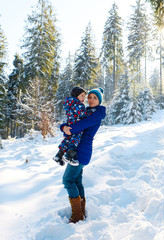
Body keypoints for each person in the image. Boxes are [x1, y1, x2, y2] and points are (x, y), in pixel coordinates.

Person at [61, 88, 106, 224]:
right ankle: (80, 211)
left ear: (99, 101)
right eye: (90, 97)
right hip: (78, 150)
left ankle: (77, 215)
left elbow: (80, 125)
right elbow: (72, 122)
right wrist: (63, 127)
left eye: (95, 98)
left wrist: (69, 130)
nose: (91, 100)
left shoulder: (97, 114)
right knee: (76, 181)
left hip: (81, 151)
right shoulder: (86, 111)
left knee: (68, 180)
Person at [53, 87, 88, 166]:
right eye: (82, 96)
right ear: (76, 95)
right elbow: (82, 114)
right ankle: (69, 156)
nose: (84, 98)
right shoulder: (78, 104)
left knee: (67, 140)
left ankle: (59, 155)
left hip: (70, 124)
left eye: (84, 96)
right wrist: (88, 112)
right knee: (75, 140)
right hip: (76, 126)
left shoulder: (69, 103)